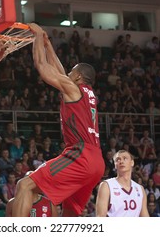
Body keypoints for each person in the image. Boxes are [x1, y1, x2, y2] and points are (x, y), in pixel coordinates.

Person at [12, 23, 105, 217]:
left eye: (72, 72)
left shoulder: (74, 88)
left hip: (81, 155)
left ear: (78, 76)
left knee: (25, 185)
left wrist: (37, 36)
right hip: (97, 161)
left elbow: (42, 66)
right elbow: (61, 73)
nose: (68, 74)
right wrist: (48, 45)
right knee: (71, 212)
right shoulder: (88, 94)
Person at [96, 150, 149, 217]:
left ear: (132, 163)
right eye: (118, 159)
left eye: (125, 158)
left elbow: (145, 217)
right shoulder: (106, 185)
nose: (121, 161)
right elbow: (100, 216)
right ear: (115, 165)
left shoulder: (140, 189)